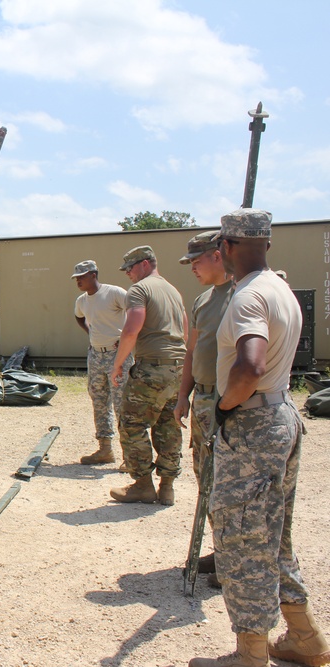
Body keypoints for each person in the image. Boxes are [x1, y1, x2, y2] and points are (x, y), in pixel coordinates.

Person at [190, 209, 330, 667]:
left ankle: (250, 654)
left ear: (226, 248)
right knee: (274, 535)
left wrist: (226, 405)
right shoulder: (282, 290)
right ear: (266, 244)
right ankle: (305, 637)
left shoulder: (248, 297)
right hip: (281, 414)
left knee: (242, 539)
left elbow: (249, 366)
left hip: (252, 426)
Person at [172, 231, 231, 579]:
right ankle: (222, 548)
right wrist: (183, 396)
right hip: (204, 399)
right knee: (204, 475)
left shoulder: (244, 295)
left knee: (230, 482)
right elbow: (193, 351)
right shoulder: (203, 301)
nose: (192, 267)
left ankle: (235, 556)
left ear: (218, 255)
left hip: (231, 401)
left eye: (197, 260)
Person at [109, 246, 187, 505]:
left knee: (131, 424)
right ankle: (167, 488)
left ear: (144, 264)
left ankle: (142, 484)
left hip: (152, 368)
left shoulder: (140, 290)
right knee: (168, 424)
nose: (128, 274)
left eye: (130, 268)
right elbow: (185, 328)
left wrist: (118, 363)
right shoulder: (173, 290)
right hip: (177, 367)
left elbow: (132, 328)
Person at [71, 259, 132, 465]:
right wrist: (90, 333)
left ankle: (130, 455)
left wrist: (126, 339)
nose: (78, 280)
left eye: (82, 276)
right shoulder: (82, 301)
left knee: (121, 403)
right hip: (96, 355)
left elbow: (136, 312)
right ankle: (105, 449)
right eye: (76, 278)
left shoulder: (115, 293)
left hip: (118, 355)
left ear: (93, 275)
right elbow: (78, 317)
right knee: (99, 401)